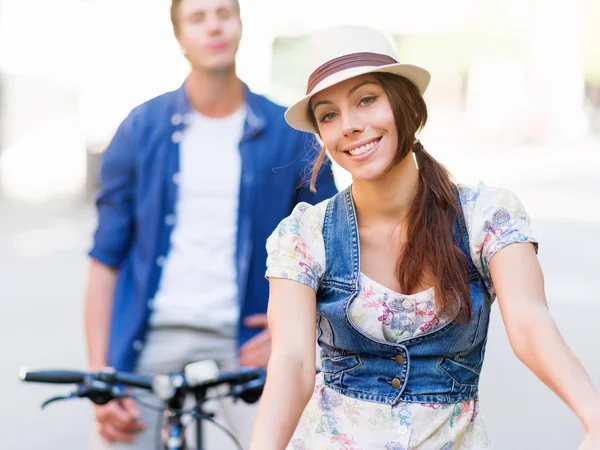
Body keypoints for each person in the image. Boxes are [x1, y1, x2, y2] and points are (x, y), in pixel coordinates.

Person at [249, 25, 600, 450]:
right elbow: (293, 361)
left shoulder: (486, 215)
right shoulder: (304, 235)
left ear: (406, 105)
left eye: (366, 99)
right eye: (329, 115)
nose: (350, 126)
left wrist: (592, 415)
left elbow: (529, 323)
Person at [84, 0, 337, 448]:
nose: (213, 26)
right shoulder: (140, 129)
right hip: (150, 341)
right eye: (198, 17)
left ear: (240, 25)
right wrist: (101, 379)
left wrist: (294, 332)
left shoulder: (290, 135)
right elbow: (105, 261)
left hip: (245, 345)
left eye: (224, 12)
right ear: (179, 36)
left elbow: (332, 253)